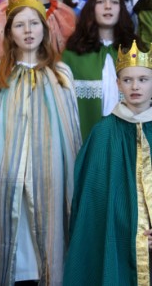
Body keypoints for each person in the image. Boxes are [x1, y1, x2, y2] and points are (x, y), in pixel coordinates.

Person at [0, 0, 81, 285]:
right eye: (20, 25)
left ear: (44, 29)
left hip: (50, 169)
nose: (28, 30)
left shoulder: (60, 73)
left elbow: (71, 129)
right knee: (14, 228)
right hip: (7, 169)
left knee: (48, 233)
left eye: (34, 23)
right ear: (9, 32)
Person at [63, 40, 152, 285]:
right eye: (128, 80)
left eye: (143, 79)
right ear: (117, 84)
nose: (135, 86)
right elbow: (92, 200)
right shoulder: (102, 133)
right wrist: (126, 227)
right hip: (116, 238)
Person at [63, 0, 134, 139]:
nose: (108, 7)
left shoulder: (135, 52)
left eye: (114, 1)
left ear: (121, 8)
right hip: (88, 141)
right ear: (91, 8)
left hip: (126, 140)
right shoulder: (71, 56)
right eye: (101, 1)